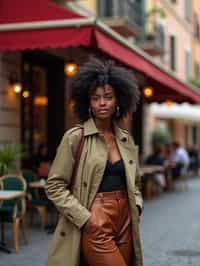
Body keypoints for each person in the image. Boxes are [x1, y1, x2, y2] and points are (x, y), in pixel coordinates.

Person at [45, 58, 143, 266]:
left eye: (108, 97)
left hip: (126, 219)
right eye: (95, 98)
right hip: (95, 217)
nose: (102, 103)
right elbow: (54, 186)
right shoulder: (75, 137)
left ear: (118, 100)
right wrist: (86, 218)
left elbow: (135, 182)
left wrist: (138, 206)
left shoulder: (125, 139)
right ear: (87, 102)